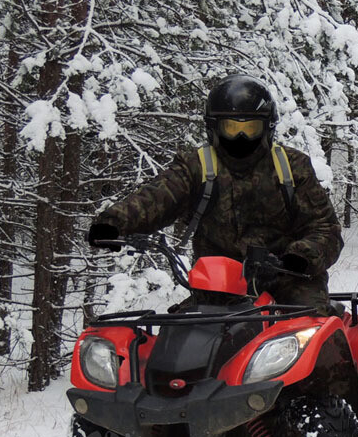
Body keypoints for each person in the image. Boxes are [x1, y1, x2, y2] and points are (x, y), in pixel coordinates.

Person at [87, 74, 343, 314]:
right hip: (218, 282)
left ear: (267, 128)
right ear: (214, 127)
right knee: (180, 334)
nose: (241, 137)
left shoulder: (291, 167)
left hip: (288, 280)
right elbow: (156, 198)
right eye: (231, 128)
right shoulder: (197, 166)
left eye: (251, 128)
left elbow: (325, 227)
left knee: (312, 323)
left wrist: (299, 257)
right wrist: (114, 223)